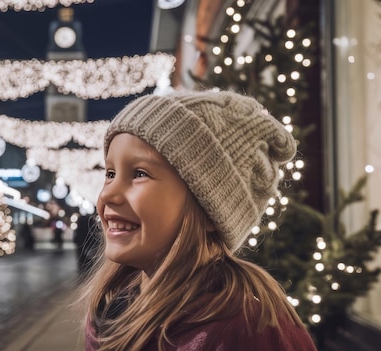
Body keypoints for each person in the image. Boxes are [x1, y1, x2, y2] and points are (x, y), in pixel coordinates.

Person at [77, 90, 317, 350]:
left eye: (140, 173)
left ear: (209, 209)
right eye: (110, 173)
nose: (108, 193)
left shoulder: (248, 331)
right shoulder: (110, 309)